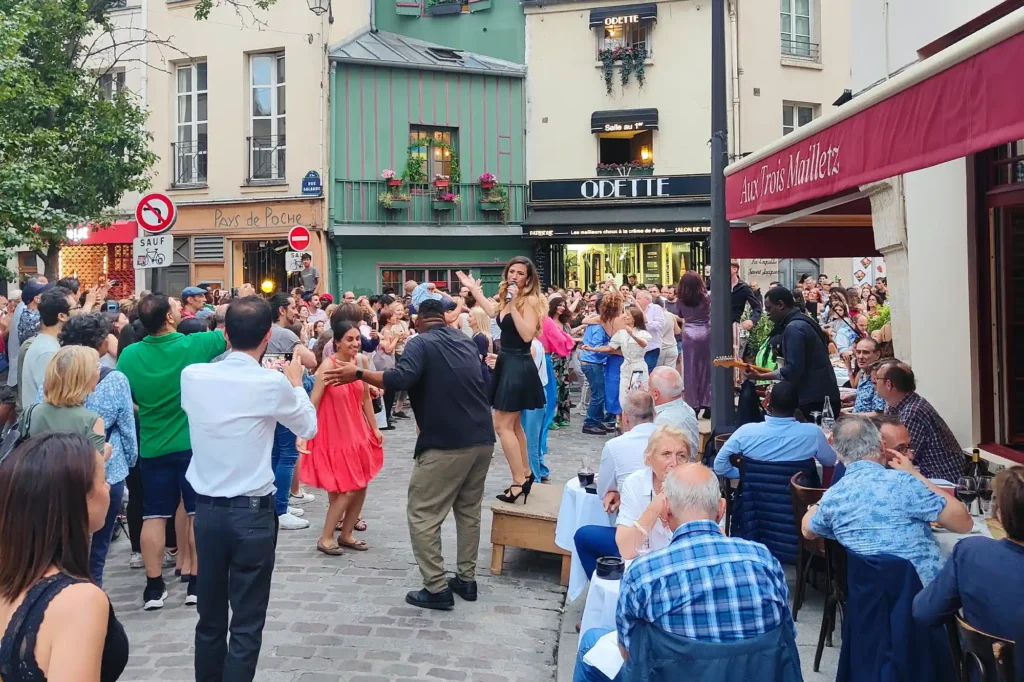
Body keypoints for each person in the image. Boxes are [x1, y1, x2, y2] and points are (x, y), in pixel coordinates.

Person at [322, 298, 495, 611]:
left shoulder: (420, 343)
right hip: (482, 438)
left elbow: (401, 378)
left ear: (417, 321)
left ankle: (436, 587)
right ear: (444, 318)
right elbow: (484, 382)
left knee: (422, 513)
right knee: (469, 512)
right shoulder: (465, 341)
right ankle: (466, 580)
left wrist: (358, 374)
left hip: (446, 441)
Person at [181, 296, 317, 682]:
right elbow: (308, 426)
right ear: (268, 336)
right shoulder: (270, 382)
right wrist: (296, 384)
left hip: (208, 511)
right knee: (246, 621)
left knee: (209, 619)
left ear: (225, 334)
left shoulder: (193, 376)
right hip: (252, 513)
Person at [575, 464, 795, 682]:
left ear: (667, 511)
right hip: (755, 675)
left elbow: (628, 653)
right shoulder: (764, 561)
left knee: (591, 642)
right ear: (721, 509)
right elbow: (786, 636)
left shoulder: (645, 574)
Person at [117, 293, 227, 610]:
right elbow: (229, 332)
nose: (179, 309)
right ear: (168, 317)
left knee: (153, 515)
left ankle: (153, 588)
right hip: (190, 444)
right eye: (175, 307)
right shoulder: (193, 345)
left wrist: (146, 409)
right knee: (195, 513)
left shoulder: (130, 355)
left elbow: (127, 396)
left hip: (152, 445)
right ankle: (196, 583)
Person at [0, 433, 128, 682]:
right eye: (103, 480)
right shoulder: (79, 601)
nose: (108, 487)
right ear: (77, 499)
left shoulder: (12, 578)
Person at [802, 417, 972, 585]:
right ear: (881, 446)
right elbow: (964, 523)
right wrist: (915, 475)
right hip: (927, 593)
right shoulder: (905, 482)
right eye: (902, 448)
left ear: (838, 453)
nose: (910, 454)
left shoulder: (835, 495)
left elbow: (807, 530)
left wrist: (822, 502)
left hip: (867, 594)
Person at [57, 313, 138, 587]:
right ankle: (94, 592)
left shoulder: (54, 372)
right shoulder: (115, 379)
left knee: (66, 544)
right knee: (99, 548)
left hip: (63, 465)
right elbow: (127, 426)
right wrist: (130, 460)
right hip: (107, 468)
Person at [455, 259, 545, 504]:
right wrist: (473, 290)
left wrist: (514, 304)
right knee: (513, 426)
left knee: (502, 425)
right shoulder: (507, 297)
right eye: (511, 271)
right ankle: (526, 473)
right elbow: (493, 312)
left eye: (520, 273)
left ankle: (518, 481)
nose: (514, 276)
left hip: (518, 364)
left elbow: (527, 334)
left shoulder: (529, 300)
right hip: (507, 362)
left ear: (528, 278)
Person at [913, 466, 1024, 641]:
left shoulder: (971, 552)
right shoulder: (972, 551)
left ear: (1001, 515)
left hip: (980, 657)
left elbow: (924, 612)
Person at [302, 319, 384, 556]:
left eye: (357, 338)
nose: (355, 343)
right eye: (349, 339)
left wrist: (374, 428)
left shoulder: (360, 362)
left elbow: (365, 398)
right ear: (337, 342)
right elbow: (315, 401)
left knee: (361, 484)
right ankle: (326, 537)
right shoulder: (328, 366)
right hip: (335, 434)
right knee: (347, 487)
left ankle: (346, 533)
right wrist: (304, 433)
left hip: (357, 432)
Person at [263, 293, 319, 531]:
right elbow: (311, 360)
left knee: (276, 453)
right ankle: (281, 510)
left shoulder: (264, 331)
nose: (297, 311)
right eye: (294, 307)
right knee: (287, 454)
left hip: (266, 399)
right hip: (284, 398)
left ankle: (277, 503)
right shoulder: (284, 334)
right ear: (282, 310)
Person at [747, 286, 841, 418]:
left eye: (769, 309)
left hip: (814, 401)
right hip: (821, 397)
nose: (768, 315)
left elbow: (793, 369)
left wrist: (760, 376)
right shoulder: (803, 321)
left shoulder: (794, 328)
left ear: (781, 305)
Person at [713, 381, 837, 478]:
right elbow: (830, 461)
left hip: (754, 502)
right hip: (799, 503)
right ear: (797, 407)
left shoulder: (745, 433)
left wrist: (745, 475)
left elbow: (719, 466)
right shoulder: (813, 434)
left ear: (769, 405)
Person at [615, 425, 693, 560]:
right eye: (666, 454)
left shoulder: (699, 486)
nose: (674, 463)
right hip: (645, 563)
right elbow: (627, 550)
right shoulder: (634, 484)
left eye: (681, 456)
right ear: (649, 459)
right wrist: (657, 505)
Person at [584, 307, 651, 414]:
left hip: (638, 368)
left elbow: (644, 344)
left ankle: (637, 418)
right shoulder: (621, 333)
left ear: (634, 318)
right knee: (623, 396)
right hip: (625, 367)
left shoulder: (642, 333)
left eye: (628, 314)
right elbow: (610, 348)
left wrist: (632, 335)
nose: (624, 316)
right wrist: (592, 349)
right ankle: (623, 418)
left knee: (636, 394)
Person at [20, 287, 75, 410]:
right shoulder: (47, 351)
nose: (79, 312)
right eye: (75, 308)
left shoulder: (49, 344)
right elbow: (53, 398)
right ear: (62, 316)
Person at [671, 272, 711, 411]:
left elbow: (680, 314)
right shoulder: (707, 297)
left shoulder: (681, 299)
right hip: (706, 331)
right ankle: (707, 401)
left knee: (690, 369)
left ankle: (693, 403)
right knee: (706, 368)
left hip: (689, 332)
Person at [578, 293, 614, 435]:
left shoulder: (597, 321)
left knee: (600, 393)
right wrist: (612, 348)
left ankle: (597, 421)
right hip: (592, 362)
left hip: (593, 361)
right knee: (598, 395)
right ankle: (590, 422)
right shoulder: (599, 326)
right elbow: (597, 346)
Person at [648, 366, 699, 455]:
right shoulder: (687, 409)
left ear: (656, 394)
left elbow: (655, 455)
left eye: (648, 388)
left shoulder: (663, 421)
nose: (647, 391)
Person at [520, 338, 551, 483]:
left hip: (531, 393)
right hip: (537, 392)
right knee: (534, 437)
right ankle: (540, 470)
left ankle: (533, 477)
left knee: (529, 438)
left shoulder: (531, 345)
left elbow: (523, 370)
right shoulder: (536, 343)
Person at [542, 296, 575, 430]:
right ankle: (551, 418)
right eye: (559, 305)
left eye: (563, 305)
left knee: (564, 387)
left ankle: (563, 417)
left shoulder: (565, 323)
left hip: (564, 359)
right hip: (553, 357)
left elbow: (569, 336)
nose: (561, 308)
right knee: (553, 388)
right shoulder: (548, 322)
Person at [849, 337, 886, 413]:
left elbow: (879, 414)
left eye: (865, 352)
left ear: (877, 355)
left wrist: (848, 415)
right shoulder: (863, 372)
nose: (860, 357)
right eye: (858, 352)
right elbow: (867, 398)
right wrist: (853, 397)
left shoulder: (878, 378)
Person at [634, 289, 664, 373]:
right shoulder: (635, 310)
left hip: (651, 347)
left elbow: (660, 325)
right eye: (636, 298)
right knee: (638, 373)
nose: (636, 301)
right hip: (637, 348)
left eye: (638, 298)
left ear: (647, 299)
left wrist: (646, 323)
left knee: (647, 372)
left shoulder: (655, 308)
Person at [730, 260, 762, 330]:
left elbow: (757, 306)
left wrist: (752, 320)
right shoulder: (717, 285)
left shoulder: (744, 287)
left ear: (735, 269)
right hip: (715, 324)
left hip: (734, 325)